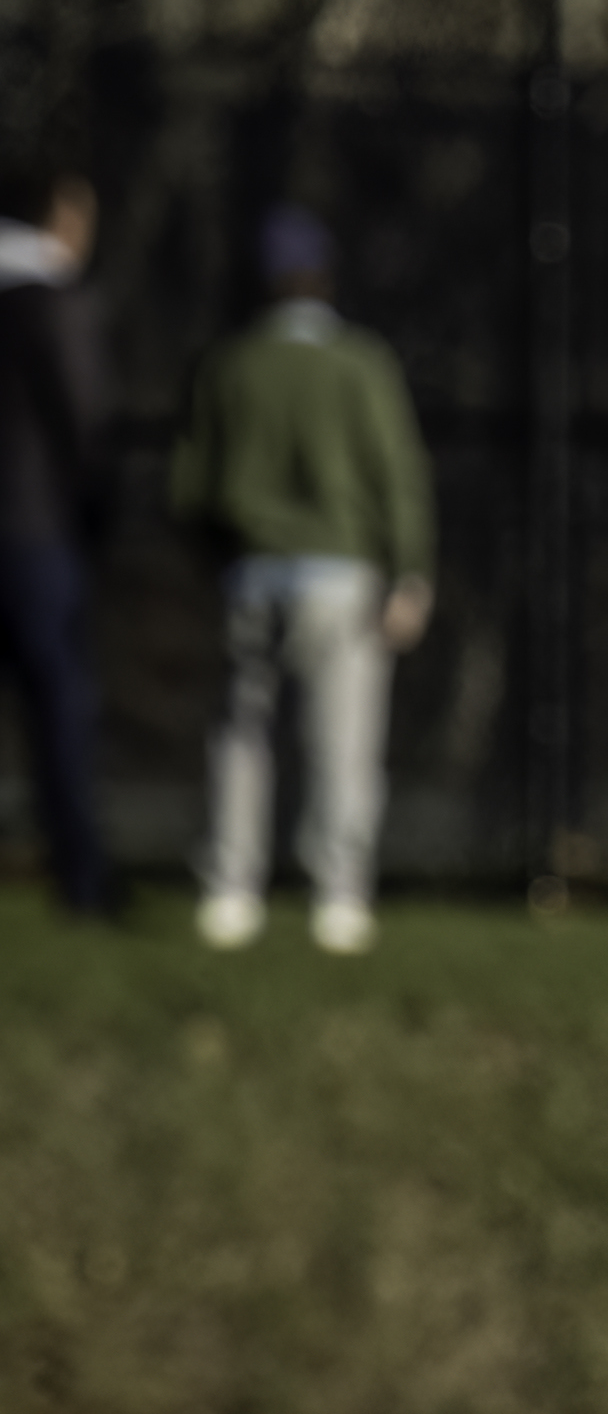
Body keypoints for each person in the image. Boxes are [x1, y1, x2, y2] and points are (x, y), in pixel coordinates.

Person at [172, 209, 432, 954]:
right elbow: (398, 477)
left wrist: (216, 556)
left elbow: (190, 486)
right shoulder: (359, 364)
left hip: (249, 574)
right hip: (341, 575)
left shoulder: (229, 365)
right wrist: (411, 572)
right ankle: (340, 898)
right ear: (324, 277)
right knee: (342, 743)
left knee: (241, 737)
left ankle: (230, 891)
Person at [0, 141, 117, 920]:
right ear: (64, 219)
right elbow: (85, 425)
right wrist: (97, 516)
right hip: (32, 535)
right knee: (58, 704)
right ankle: (82, 882)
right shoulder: (56, 304)